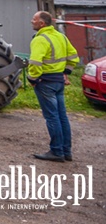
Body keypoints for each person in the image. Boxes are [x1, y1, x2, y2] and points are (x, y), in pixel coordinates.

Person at [27, 11, 79, 162]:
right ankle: (66, 151)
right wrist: (66, 72)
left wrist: (32, 79)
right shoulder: (60, 36)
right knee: (62, 117)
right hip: (58, 82)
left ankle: (56, 152)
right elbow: (74, 56)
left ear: (42, 23)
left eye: (34, 19)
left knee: (52, 117)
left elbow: (35, 63)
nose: (32, 21)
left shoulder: (40, 39)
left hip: (45, 83)